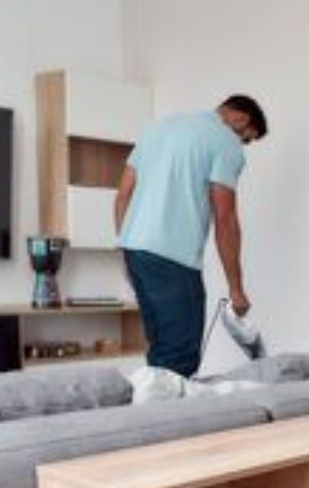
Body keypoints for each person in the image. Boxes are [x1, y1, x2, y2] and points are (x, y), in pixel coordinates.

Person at [114, 95, 268, 377]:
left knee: (161, 351)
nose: (243, 145)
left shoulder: (158, 128)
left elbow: (123, 194)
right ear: (242, 119)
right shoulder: (226, 142)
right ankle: (164, 419)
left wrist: (125, 248)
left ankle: (149, 417)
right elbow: (225, 218)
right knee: (179, 357)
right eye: (247, 139)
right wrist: (236, 288)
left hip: (135, 250)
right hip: (173, 259)